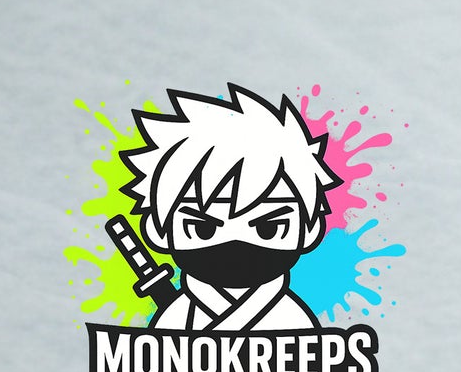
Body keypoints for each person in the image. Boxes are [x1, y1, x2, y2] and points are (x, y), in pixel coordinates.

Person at [120, 84, 337, 333]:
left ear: (310, 229)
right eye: (202, 229)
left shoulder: (294, 320)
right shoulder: (176, 318)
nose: (236, 245)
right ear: (158, 231)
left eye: (268, 228)